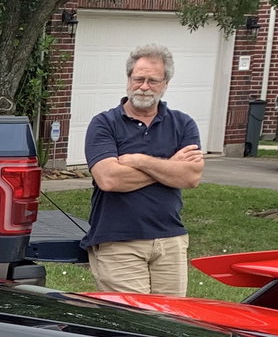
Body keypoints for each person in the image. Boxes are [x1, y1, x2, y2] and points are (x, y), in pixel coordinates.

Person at [82, 44, 204, 294]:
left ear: (165, 83)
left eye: (152, 80)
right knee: (132, 324)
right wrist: (170, 167)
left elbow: (191, 176)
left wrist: (139, 160)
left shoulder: (183, 124)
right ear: (128, 80)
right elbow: (109, 179)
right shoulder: (104, 124)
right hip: (118, 241)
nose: (144, 86)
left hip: (171, 240)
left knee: (172, 322)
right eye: (138, 78)